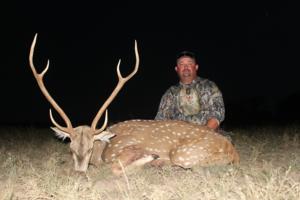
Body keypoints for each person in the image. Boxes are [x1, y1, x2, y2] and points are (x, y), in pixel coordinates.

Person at [155, 50, 225, 130]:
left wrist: (201, 136)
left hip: (206, 135)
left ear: (196, 67)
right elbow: (159, 121)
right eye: (181, 64)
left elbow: (217, 115)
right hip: (178, 137)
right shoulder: (170, 93)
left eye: (189, 63)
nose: (186, 67)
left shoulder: (209, 86)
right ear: (176, 69)